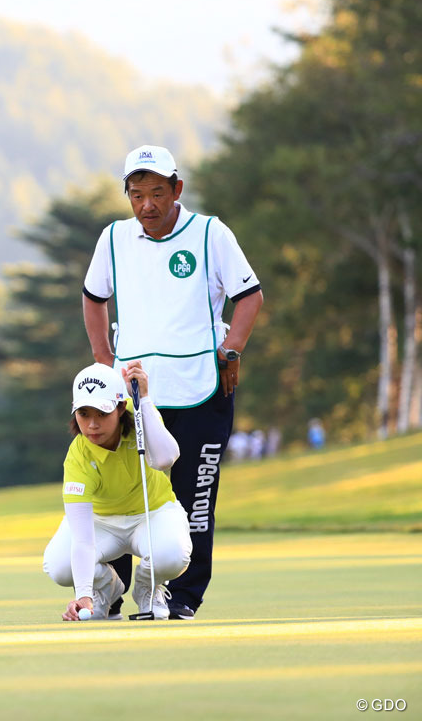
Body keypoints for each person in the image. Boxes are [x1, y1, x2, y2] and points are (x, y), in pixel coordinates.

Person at [82, 144, 264, 620]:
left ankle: (181, 597)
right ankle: (114, 592)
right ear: (127, 195)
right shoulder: (115, 239)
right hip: (133, 393)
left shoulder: (209, 233)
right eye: (137, 193)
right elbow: (94, 297)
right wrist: (104, 359)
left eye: (157, 192)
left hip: (201, 388)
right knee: (121, 497)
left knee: (193, 500)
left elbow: (249, 296)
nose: (147, 204)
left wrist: (233, 348)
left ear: (176, 189)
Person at [43, 361, 192, 621]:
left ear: (121, 407)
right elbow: (82, 539)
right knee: (60, 567)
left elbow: (166, 459)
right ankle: (106, 591)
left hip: (153, 513)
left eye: (102, 413)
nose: (92, 425)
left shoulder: (140, 415)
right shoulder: (78, 456)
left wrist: (144, 399)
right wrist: (84, 594)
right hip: (100, 524)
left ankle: (148, 588)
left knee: (172, 555)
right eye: (84, 414)